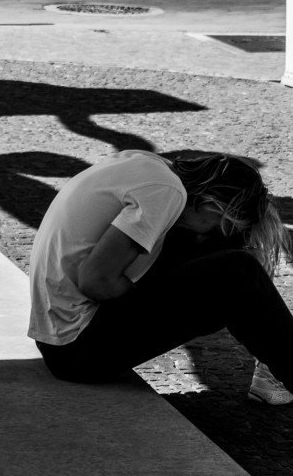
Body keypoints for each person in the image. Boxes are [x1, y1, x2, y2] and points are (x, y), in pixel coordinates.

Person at [28, 148, 293, 404]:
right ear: (213, 206)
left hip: (59, 337)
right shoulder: (166, 192)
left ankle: (273, 356)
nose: (210, 234)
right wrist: (170, 306)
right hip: (77, 350)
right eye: (220, 226)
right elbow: (96, 280)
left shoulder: (146, 164)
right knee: (238, 272)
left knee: (226, 256)